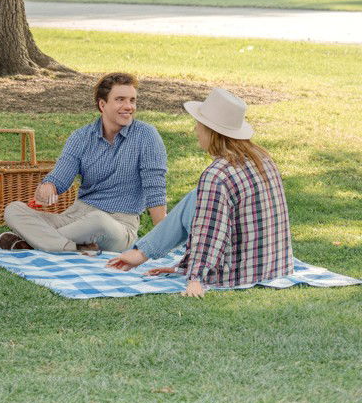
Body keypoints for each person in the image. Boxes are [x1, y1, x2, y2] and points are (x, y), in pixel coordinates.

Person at [106, 87, 293, 297]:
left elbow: (211, 232)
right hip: (271, 264)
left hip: (237, 273)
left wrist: (195, 277)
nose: (195, 129)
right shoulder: (261, 158)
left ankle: (142, 252)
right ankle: (142, 252)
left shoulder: (217, 175)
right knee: (198, 196)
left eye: (199, 124)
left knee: (204, 195)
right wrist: (182, 266)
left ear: (211, 131)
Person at [0, 72, 167, 254]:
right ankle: (70, 247)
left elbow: (155, 191)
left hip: (116, 226)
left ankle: (34, 242)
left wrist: (165, 239)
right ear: (102, 104)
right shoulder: (81, 137)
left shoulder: (147, 136)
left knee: (98, 221)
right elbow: (59, 178)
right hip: (75, 218)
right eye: (120, 99)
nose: (129, 107)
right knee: (13, 210)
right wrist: (47, 186)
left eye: (132, 100)